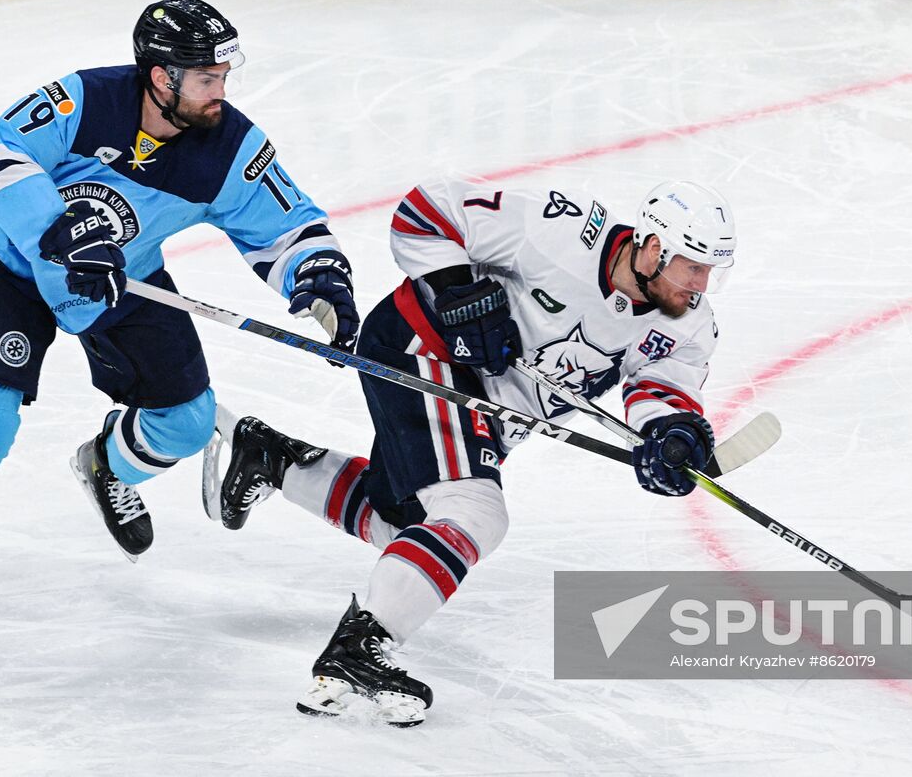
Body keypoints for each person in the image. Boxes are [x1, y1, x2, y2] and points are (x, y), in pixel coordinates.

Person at [0, 0, 359, 605]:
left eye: (225, 77)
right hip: (15, 268)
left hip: (124, 281)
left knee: (186, 425)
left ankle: (106, 464)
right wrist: (58, 227)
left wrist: (319, 276)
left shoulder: (230, 147)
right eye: (208, 78)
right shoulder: (84, 98)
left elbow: (287, 227)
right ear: (161, 76)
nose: (220, 92)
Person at [212, 179, 735, 726]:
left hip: (492, 412)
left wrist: (673, 434)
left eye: (710, 272)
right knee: (475, 514)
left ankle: (272, 459)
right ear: (653, 248)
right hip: (425, 353)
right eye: (693, 266)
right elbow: (425, 212)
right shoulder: (559, 230)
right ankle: (359, 648)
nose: (700, 285)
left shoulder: (690, 321)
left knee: (408, 528)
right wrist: (459, 292)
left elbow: (661, 385)